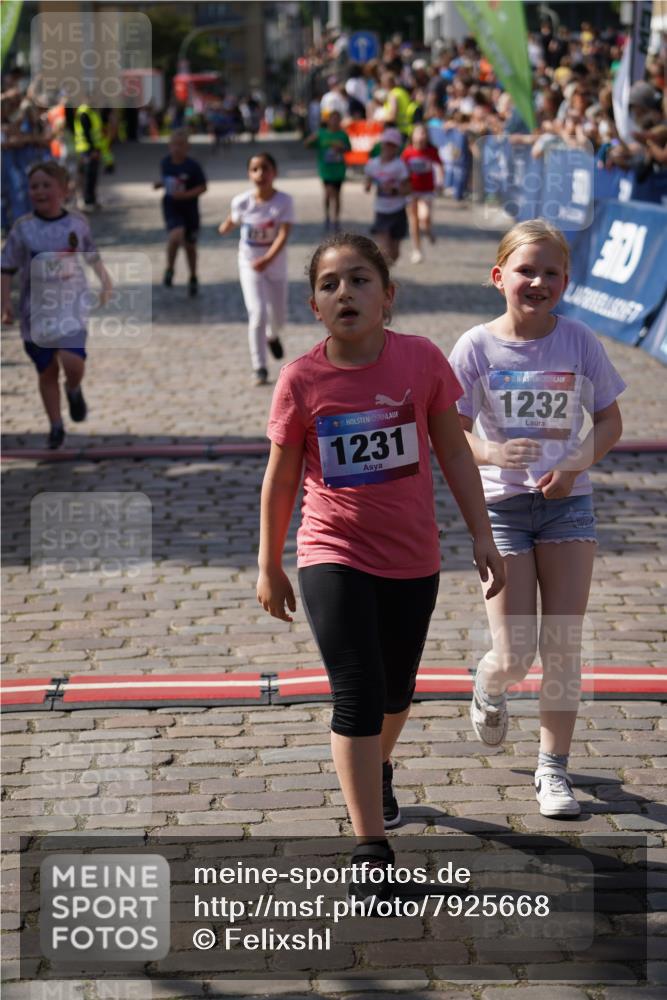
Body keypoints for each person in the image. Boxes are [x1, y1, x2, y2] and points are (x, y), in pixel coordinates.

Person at [256, 232, 504, 894]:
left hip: (412, 557)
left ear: (387, 297)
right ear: (312, 304)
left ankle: (377, 765)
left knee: (397, 691)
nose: (346, 292)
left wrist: (481, 535)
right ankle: (370, 844)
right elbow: (280, 480)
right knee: (358, 689)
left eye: (360, 280)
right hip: (330, 552)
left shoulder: (421, 361)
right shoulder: (301, 379)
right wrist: (268, 562)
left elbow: (453, 452)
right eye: (330, 283)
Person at [448, 220, 625, 818]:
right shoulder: (475, 346)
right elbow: (449, 427)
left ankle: (554, 770)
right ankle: (490, 683)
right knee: (516, 651)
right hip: (501, 508)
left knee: (563, 643)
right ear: (499, 277)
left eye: (552, 272)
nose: (538, 281)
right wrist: (494, 452)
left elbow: (609, 421)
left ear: (567, 282)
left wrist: (575, 464)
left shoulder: (579, 342)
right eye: (526, 270)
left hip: (567, 505)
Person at [0, 161, 112, 449]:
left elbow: (91, 253)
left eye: (46, 185)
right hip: (34, 313)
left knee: (72, 362)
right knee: (46, 370)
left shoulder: (76, 223)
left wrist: (105, 280)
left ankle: (73, 388)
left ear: (63, 190)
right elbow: (7, 267)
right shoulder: (23, 229)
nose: (39, 191)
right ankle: (56, 426)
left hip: (70, 307)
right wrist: (5, 305)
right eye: (34, 186)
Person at [218, 152, 294, 386]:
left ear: (275, 173)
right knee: (258, 313)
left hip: (275, 265)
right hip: (249, 263)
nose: (260, 174)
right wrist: (226, 226)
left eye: (265, 169)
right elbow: (234, 219)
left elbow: (284, 234)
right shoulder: (242, 201)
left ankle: (273, 335)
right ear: (249, 174)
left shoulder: (284, 201)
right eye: (255, 169)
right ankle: (259, 366)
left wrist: (268, 259)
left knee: (279, 317)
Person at [153, 129, 207, 296]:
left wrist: (186, 195)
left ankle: (193, 276)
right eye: (174, 145)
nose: (177, 148)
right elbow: (169, 181)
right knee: (175, 235)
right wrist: (160, 185)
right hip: (171, 206)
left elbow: (203, 187)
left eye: (181, 145)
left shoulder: (193, 166)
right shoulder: (165, 163)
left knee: (190, 246)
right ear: (169, 146)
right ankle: (170, 268)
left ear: (188, 147)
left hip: (190, 209)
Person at [363, 128, 411, 265]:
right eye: (387, 143)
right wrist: (368, 185)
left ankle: (385, 275)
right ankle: (382, 280)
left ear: (397, 147)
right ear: (382, 144)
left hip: (397, 211)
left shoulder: (399, 165)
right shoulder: (373, 164)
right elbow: (367, 183)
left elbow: (408, 189)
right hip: (381, 211)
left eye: (393, 145)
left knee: (394, 254)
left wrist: (395, 190)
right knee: (385, 250)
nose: (389, 147)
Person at [401, 122, 443, 264]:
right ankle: (417, 250)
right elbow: (401, 170)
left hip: (426, 190)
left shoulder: (431, 151)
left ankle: (428, 231)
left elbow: (439, 166)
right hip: (411, 190)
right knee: (413, 221)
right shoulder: (407, 152)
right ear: (412, 136)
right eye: (418, 133)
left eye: (423, 133)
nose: (420, 136)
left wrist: (440, 182)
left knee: (424, 217)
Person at [304, 109, 352, 233]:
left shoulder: (343, 135)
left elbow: (349, 149)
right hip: (325, 170)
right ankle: (327, 217)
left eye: (337, 119)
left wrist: (342, 147)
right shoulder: (321, 134)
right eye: (333, 119)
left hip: (339, 170)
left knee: (337, 195)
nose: (335, 121)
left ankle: (335, 220)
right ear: (328, 120)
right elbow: (307, 145)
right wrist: (312, 138)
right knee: (328, 193)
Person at [73, 101, 103, 211]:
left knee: (92, 176)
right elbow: (87, 133)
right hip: (87, 149)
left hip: (92, 148)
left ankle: (92, 199)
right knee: (88, 176)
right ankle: (88, 201)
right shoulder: (84, 112)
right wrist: (92, 150)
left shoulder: (91, 112)